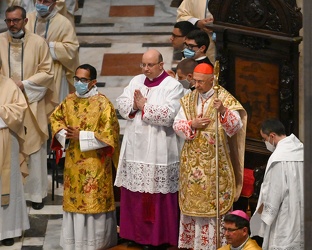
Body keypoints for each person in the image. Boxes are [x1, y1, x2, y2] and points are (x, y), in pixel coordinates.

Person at [114, 49, 184, 249]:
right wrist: (135, 106)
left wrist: (145, 106)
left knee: (155, 193)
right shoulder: (136, 81)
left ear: (161, 65)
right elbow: (122, 102)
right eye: (143, 64)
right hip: (135, 146)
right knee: (134, 191)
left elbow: (171, 115)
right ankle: (134, 234)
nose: (145, 69)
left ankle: (157, 238)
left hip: (159, 148)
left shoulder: (173, 86)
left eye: (150, 65)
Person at [173, 63, 247, 249]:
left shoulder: (224, 98)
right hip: (192, 164)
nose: (196, 85)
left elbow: (235, 127)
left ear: (212, 80)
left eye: (200, 82)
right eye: (194, 81)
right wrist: (192, 124)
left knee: (214, 209)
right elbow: (176, 124)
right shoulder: (189, 99)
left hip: (215, 165)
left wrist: (223, 111)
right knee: (193, 208)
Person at [49, 64, 120, 250]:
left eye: (84, 80)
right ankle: (75, 244)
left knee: (92, 202)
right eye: (77, 79)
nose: (79, 83)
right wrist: (64, 133)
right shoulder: (69, 100)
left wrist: (82, 135)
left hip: (95, 162)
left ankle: (96, 244)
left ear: (93, 82)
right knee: (75, 203)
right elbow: (56, 119)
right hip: (73, 161)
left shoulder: (103, 104)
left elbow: (110, 134)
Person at [0, 5, 55, 210]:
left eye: (16, 20)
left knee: (34, 148)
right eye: (8, 21)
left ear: (25, 21)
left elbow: (47, 72)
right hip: (7, 105)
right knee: (10, 150)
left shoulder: (38, 43)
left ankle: (36, 194)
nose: (12, 25)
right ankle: (15, 194)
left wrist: (24, 84)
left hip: (31, 103)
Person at [250, 118, 304, 250]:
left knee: (284, 240)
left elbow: (274, 192)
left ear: (272, 136)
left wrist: (264, 216)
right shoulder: (301, 150)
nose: (265, 143)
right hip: (304, 210)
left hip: (285, 213)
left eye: (264, 139)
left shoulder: (278, 158)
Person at [26, 0, 80, 103]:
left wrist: (49, 46)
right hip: (30, 71)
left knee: (54, 110)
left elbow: (71, 49)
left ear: (55, 4)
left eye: (46, 1)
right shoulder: (27, 19)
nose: (41, 4)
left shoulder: (63, 23)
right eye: (39, 0)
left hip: (55, 71)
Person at [0, 74, 30, 247]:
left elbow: (19, 112)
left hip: (6, 139)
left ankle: (8, 231)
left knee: (8, 185)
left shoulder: (8, 85)